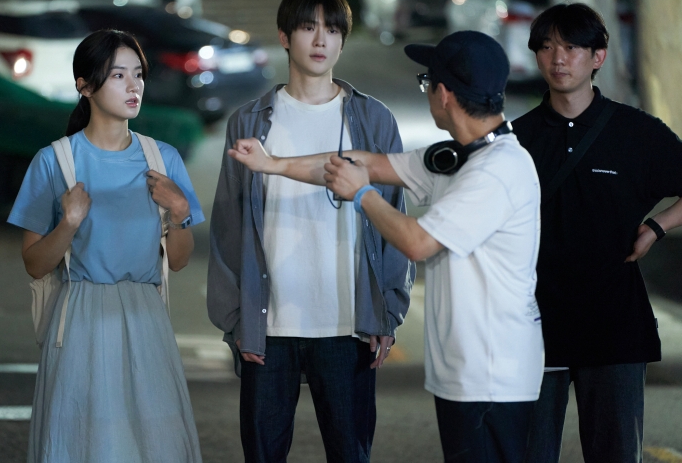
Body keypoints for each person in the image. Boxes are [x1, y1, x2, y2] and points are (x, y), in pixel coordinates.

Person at [229, 30, 545, 462]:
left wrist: (362, 195)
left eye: (426, 81)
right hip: (467, 370)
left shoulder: (496, 170)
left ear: (444, 94)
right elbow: (363, 162)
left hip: (493, 374)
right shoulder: (458, 157)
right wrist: (272, 163)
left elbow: (418, 242)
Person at [207, 0, 415, 462]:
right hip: (269, 323)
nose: (321, 40)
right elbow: (228, 225)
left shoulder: (373, 119)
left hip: (349, 324)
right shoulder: (249, 121)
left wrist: (387, 312)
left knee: (350, 453)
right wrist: (236, 320)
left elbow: (394, 217)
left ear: (343, 40)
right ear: (284, 37)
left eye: (333, 30)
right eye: (308, 27)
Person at [8, 29, 204, 463]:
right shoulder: (54, 161)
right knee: (85, 443)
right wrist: (69, 224)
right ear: (85, 85)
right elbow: (35, 265)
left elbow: (179, 260)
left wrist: (179, 210)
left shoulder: (163, 159)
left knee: (156, 445)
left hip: (146, 316)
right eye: (118, 75)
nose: (133, 86)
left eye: (138, 74)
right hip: (80, 317)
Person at [511, 3, 682, 462]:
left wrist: (657, 226)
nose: (558, 58)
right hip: (531, 326)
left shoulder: (636, 133)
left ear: (598, 57)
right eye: (547, 47)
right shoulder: (515, 139)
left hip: (614, 326)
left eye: (571, 47)